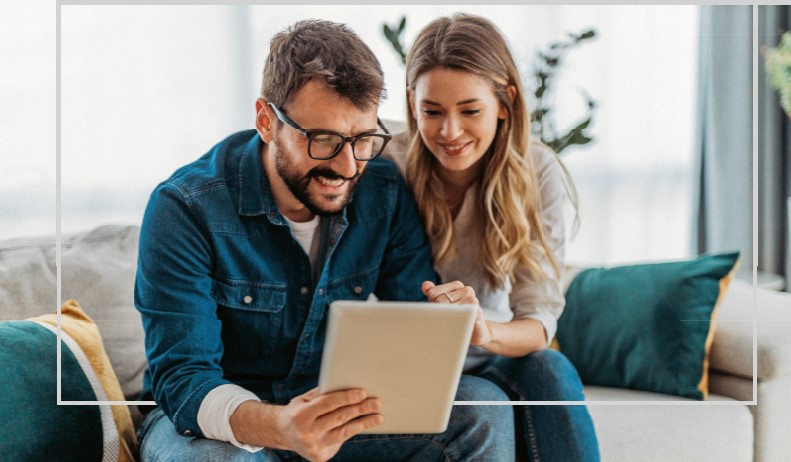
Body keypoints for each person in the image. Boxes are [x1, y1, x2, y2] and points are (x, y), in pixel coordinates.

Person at [134, 19, 515, 462]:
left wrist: (441, 320)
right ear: (266, 121)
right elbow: (183, 378)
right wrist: (280, 425)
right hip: (218, 422)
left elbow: (411, 318)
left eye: (363, 140)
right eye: (324, 140)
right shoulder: (185, 208)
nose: (349, 166)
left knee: (482, 408)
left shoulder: (383, 190)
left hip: (332, 410)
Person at [382, 14, 601, 462]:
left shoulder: (537, 172)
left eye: (470, 110)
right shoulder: (388, 161)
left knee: (551, 367)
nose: (450, 132)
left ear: (505, 103)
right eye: (432, 111)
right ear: (411, 102)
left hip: (494, 353)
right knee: (483, 401)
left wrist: (482, 330)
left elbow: (538, 323)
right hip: (413, 366)